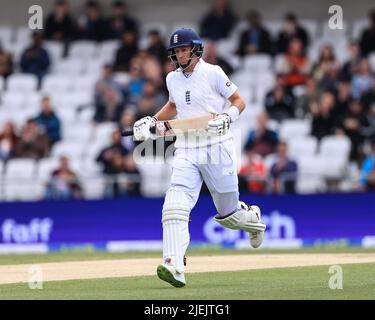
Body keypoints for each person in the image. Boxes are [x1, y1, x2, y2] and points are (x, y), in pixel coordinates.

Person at [132, 28, 266, 288]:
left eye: (184, 49)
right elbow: (174, 105)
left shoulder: (213, 73)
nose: (180, 55)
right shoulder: (172, 78)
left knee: (229, 216)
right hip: (187, 148)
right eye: (177, 51)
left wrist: (227, 118)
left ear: (195, 49)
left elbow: (239, 101)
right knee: (174, 206)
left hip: (218, 146)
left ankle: (254, 221)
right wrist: (152, 120)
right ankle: (174, 264)